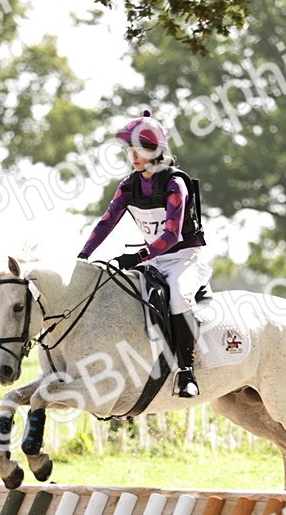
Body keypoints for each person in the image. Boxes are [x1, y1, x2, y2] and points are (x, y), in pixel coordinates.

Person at [78, 110, 209, 398]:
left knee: (175, 295)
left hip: (184, 259)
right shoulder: (128, 186)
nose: (133, 155)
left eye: (140, 148)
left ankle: (187, 372)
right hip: (152, 261)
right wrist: (83, 256)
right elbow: (106, 222)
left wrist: (136, 257)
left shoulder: (175, 184)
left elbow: (173, 235)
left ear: (157, 151)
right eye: (129, 149)